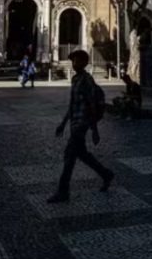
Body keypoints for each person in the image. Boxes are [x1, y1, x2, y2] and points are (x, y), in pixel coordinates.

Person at [48, 50, 114, 203]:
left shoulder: (87, 80)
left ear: (85, 63)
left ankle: (63, 191)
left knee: (69, 156)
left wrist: (94, 130)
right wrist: (63, 124)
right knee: (82, 154)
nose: (74, 63)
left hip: (82, 124)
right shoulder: (75, 79)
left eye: (77, 61)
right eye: (73, 61)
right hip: (74, 122)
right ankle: (106, 174)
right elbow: (73, 104)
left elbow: (91, 105)